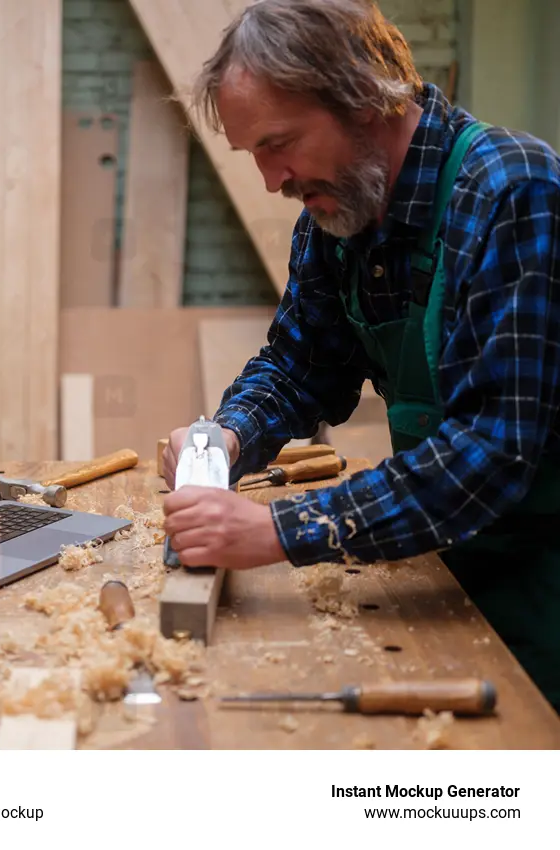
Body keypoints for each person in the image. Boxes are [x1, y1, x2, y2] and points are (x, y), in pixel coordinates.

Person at [160, 0, 560, 713]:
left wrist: (282, 528)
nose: (271, 180)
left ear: (363, 97)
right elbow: (298, 363)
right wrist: (229, 436)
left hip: (542, 578)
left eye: (278, 143)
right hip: (447, 561)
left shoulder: (513, 193)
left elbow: (491, 449)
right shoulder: (337, 212)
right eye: (253, 154)